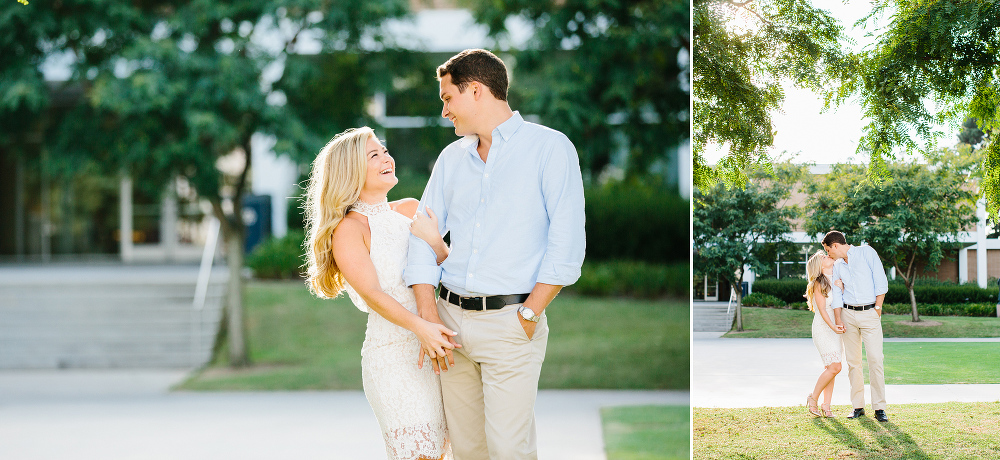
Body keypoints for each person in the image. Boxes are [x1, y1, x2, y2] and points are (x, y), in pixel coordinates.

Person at [403, 49, 586, 459]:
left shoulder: (550, 149)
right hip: (449, 325)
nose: (445, 111)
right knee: (468, 451)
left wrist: (529, 314)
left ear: (476, 91)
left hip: (511, 323)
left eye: (448, 98)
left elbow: (567, 245)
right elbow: (420, 235)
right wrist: (429, 318)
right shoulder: (451, 159)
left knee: (509, 451)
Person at [304, 126, 458, 460]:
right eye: (374, 155)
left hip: (438, 347)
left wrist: (435, 242)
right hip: (393, 359)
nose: (386, 157)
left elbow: (452, 272)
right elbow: (373, 293)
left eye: (384, 151)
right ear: (351, 171)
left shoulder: (411, 209)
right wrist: (422, 329)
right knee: (420, 455)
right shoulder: (349, 230)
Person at [822, 230, 890, 422]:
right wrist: (838, 319)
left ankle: (879, 408)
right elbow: (837, 293)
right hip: (847, 314)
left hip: (869, 313)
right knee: (854, 363)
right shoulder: (837, 265)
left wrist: (877, 308)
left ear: (835, 245)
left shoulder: (867, 252)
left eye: (828, 250)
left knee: (875, 360)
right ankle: (858, 407)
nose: (828, 255)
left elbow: (881, 282)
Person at [804, 251, 844, 418]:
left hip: (834, 328)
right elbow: (821, 310)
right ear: (819, 266)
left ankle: (826, 406)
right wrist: (833, 327)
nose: (828, 256)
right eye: (824, 257)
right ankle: (813, 398)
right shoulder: (818, 283)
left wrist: (841, 288)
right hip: (823, 327)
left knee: (831, 368)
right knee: (835, 367)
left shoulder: (836, 278)